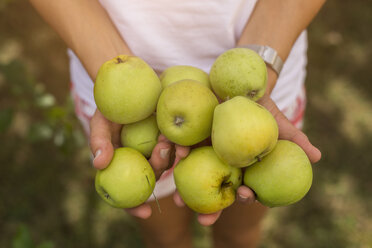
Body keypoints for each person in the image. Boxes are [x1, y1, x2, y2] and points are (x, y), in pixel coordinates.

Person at [30, 0, 325, 247]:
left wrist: (262, 61)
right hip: (118, 97)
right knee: (165, 239)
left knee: (240, 236)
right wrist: (113, 68)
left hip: (263, 71)